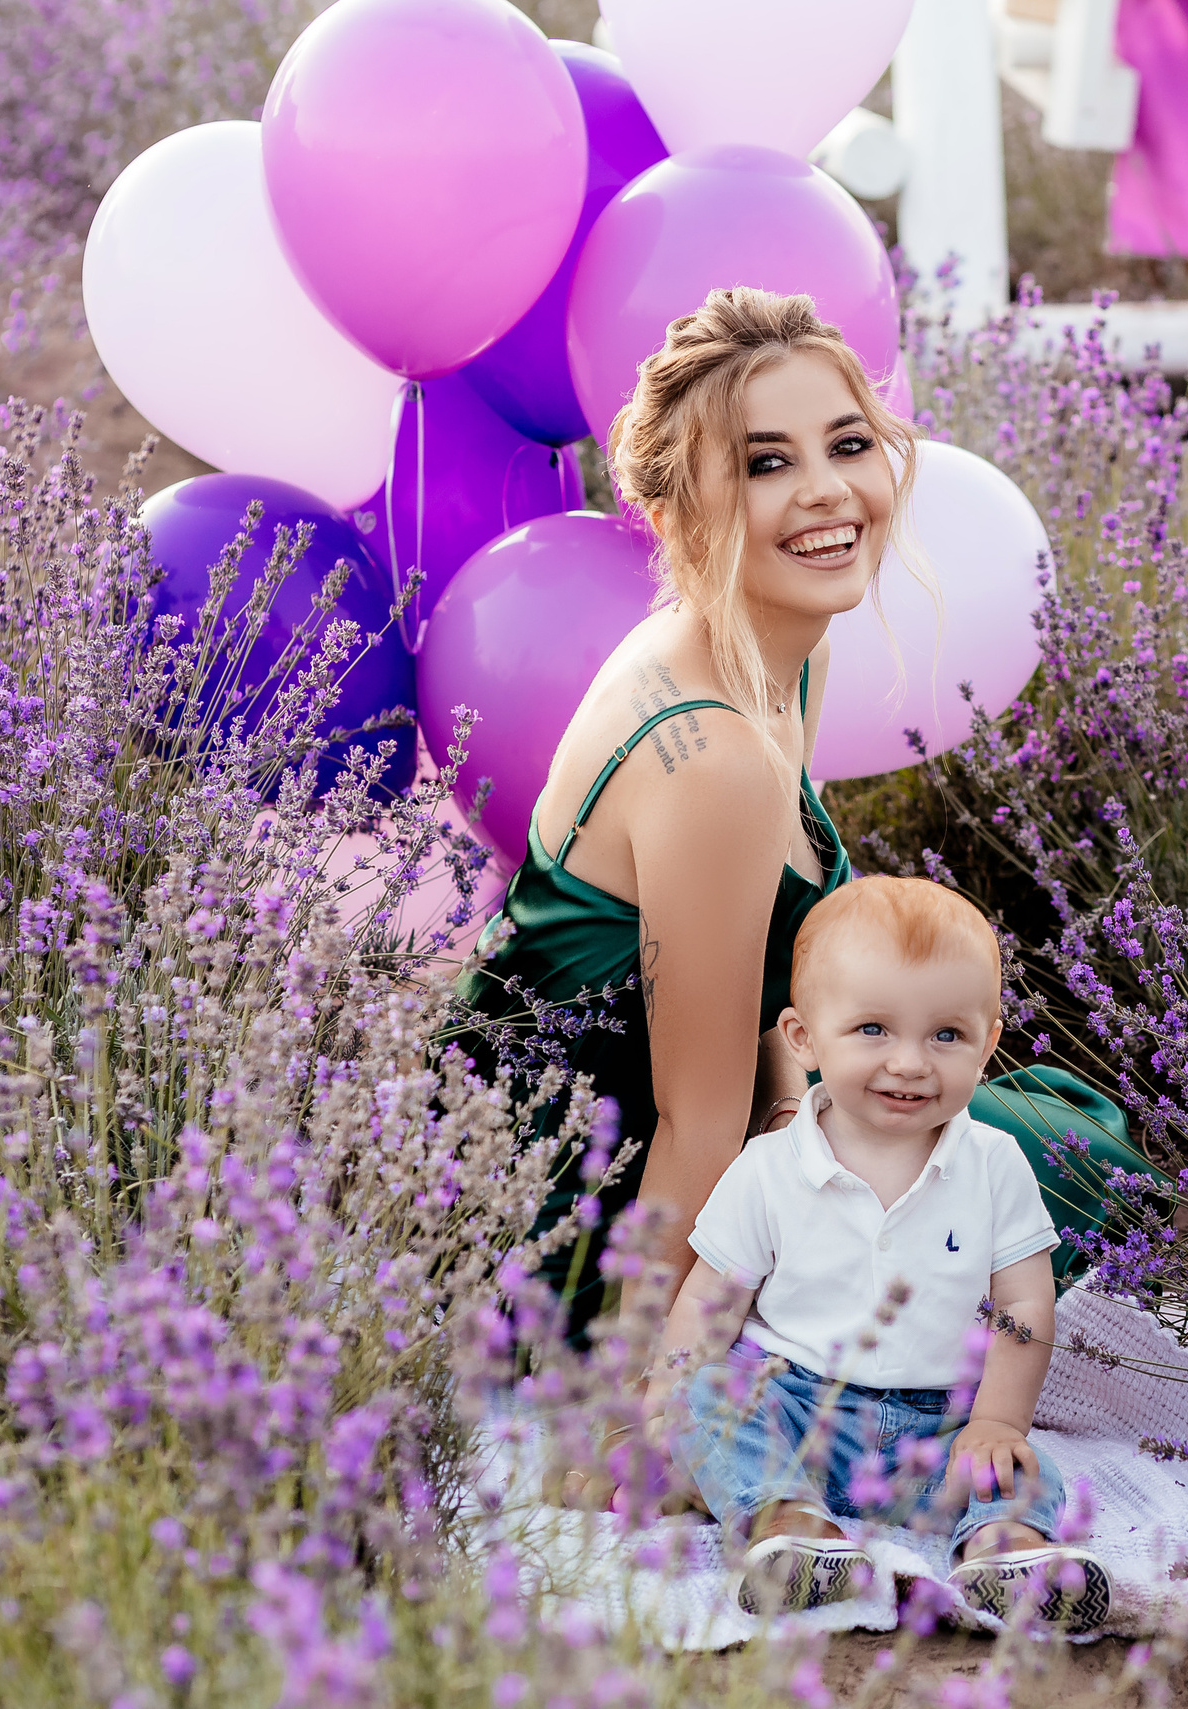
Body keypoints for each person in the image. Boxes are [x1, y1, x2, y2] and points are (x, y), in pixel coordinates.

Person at [452, 288, 904, 1333]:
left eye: (847, 442)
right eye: (764, 463)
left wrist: (798, 1106)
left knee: (998, 1141)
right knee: (1033, 1171)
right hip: (558, 1222)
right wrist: (632, 1403)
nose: (829, 491)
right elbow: (693, 1127)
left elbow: (753, 983)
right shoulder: (715, 757)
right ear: (670, 517)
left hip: (668, 1145)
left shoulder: (781, 652)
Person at [646, 876, 1110, 1628]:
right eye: (873, 1029)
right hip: (797, 1404)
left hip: (934, 1432)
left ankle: (1004, 1544)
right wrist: (667, 1388)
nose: (909, 1063)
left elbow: (1025, 1302)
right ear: (803, 1038)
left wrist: (996, 1421)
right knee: (708, 1400)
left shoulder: (993, 1165)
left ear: (989, 1043)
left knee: (1021, 1468)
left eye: (946, 1035)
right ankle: (788, 1521)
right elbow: (710, 1296)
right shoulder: (770, 1166)